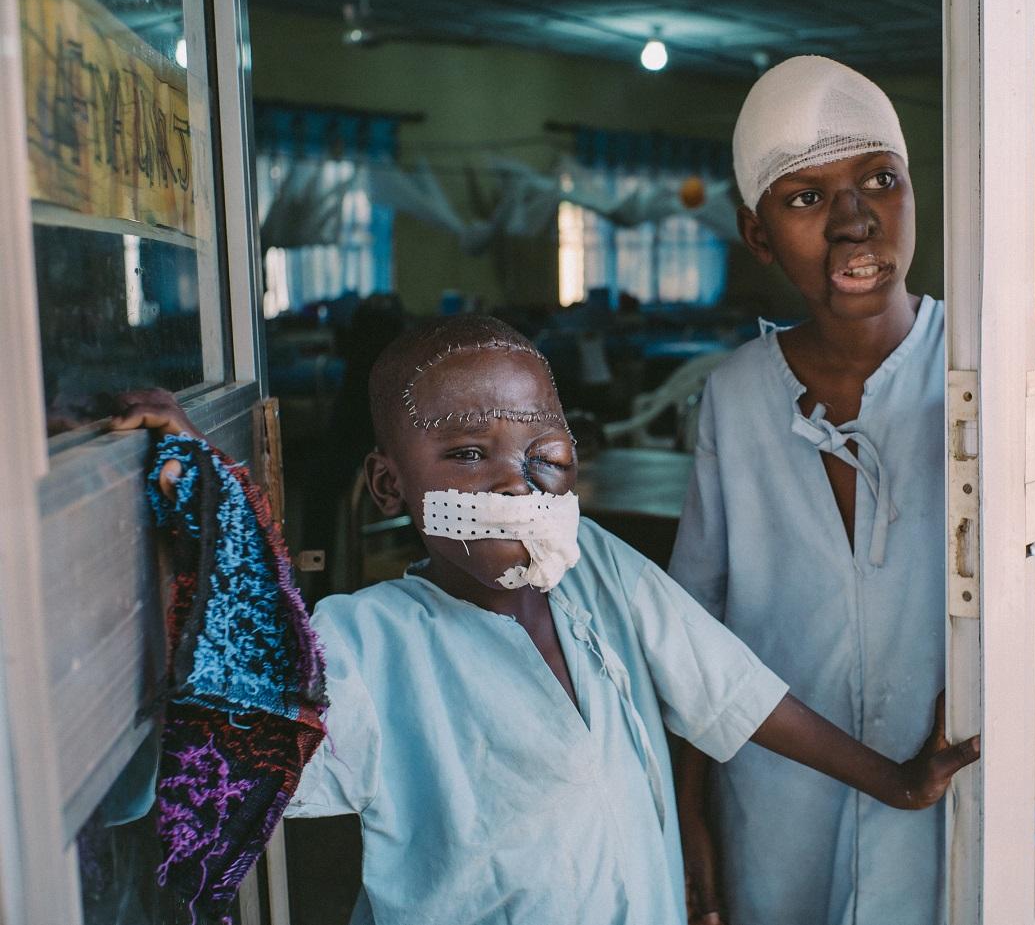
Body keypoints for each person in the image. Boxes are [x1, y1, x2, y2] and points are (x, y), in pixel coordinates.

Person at [113, 314, 978, 925]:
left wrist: (893, 782)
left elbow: (735, 692)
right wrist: (207, 496)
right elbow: (237, 717)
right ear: (389, 487)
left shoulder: (597, 567)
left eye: (545, 458)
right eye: (464, 455)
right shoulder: (368, 643)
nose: (512, 484)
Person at [668, 55, 952, 925]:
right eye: (805, 198)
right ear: (758, 236)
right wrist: (689, 819)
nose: (855, 221)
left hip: (952, 803)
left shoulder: (977, 371)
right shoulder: (738, 395)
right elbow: (692, 637)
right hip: (774, 804)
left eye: (879, 180)